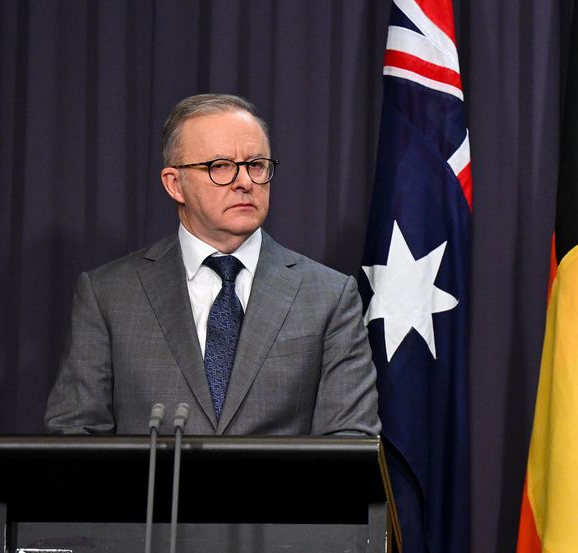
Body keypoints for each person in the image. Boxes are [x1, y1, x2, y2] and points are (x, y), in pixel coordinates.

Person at [46, 93, 379, 435]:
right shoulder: (109, 294)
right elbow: (76, 436)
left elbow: (349, 440)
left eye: (256, 165)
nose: (244, 182)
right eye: (220, 166)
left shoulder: (329, 295)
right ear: (175, 184)